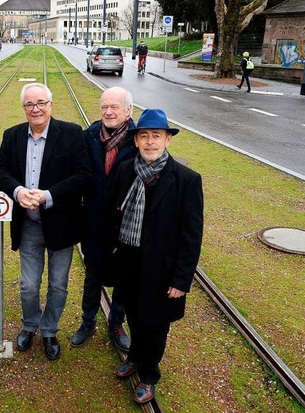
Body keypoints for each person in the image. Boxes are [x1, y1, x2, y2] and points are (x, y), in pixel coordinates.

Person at [108, 109, 203, 404]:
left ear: (167, 141)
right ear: (136, 140)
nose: (150, 142)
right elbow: (112, 215)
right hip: (130, 264)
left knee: (156, 325)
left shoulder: (186, 180)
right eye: (144, 136)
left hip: (162, 272)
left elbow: (191, 235)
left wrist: (181, 279)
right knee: (134, 316)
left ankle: (149, 375)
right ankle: (135, 358)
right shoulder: (125, 170)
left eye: (156, 136)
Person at [0, 83, 91, 361]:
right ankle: (30, 325)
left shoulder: (71, 134)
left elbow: (84, 175)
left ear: (51, 104)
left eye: (41, 103)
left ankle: (49, 330)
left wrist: (49, 195)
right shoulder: (11, 136)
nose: (36, 109)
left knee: (58, 284)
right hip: (29, 225)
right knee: (28, 285)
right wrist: (17, 191)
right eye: (29, 104)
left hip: (61, 224)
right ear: (24, 109)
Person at [70, 87, 138, 351]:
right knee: (92, 274)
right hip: (94, 221)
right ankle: (88, 322)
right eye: (104, 107)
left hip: (127, 224)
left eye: (115, 107)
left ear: (128, 110)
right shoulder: (88, 135)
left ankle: (116, 323)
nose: (108, 112)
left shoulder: (137, 139)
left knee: (124, 277)